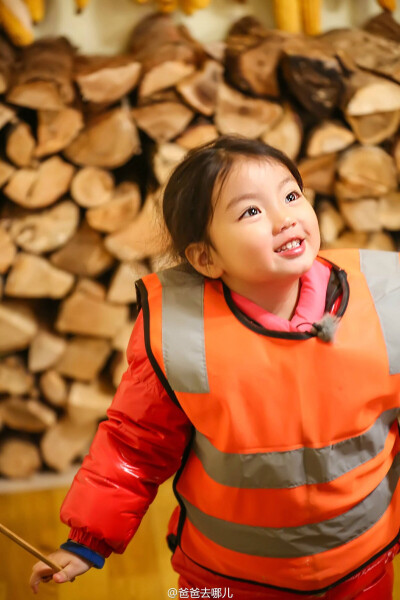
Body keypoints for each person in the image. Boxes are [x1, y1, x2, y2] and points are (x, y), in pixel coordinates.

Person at [30, 136, 400, 599]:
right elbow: (135, 443)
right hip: (225, 579)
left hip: (362, 565)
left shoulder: (384, 300)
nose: (285, 217)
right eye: (251, 211)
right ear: (205, 257)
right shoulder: (179, 335)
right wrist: (87, 540)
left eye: (290, 195)